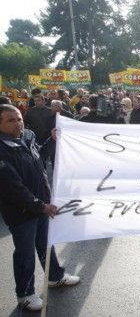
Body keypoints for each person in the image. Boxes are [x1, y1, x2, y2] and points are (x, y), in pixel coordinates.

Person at [0, 104, 80, 311]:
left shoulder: (26, 138)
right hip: (23, 212)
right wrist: (41, 206)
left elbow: (40, 158)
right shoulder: (2, 149)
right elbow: (14, 188)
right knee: (25, 253)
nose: (18, 123)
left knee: (46, 244)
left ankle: (55, 277)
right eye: (11, 120)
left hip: (41, 206)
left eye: (19, 118)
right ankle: (25, 294)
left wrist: (51, 141)